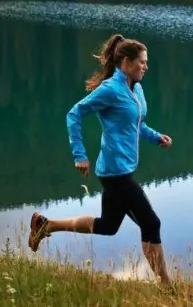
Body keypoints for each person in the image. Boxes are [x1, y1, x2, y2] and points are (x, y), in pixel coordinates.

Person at [28, 34, 172, 284]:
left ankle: (45, 225)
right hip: (115, 174)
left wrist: (155, 136)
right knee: (152, 223)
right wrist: (79, 154)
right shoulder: (111, 90)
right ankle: (167, 288)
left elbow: (136, 123)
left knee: (108, 226)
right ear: (126, 62)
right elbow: (74, 114)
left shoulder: (135, 88)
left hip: (120, 170)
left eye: (146, 63)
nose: (146, 67)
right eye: (142, 62)